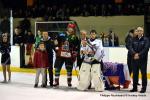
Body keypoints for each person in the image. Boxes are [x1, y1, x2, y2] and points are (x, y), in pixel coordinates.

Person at [129, 27, 149, 93]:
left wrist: (139, 55)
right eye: (138, 31)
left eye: (141, 31)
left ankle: (143, 88)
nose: (139, 32)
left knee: (143, 74)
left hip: (142, 60)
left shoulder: (146, 39)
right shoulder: (133, 39)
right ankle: (134, 88)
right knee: (135, 74)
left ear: (143, 32)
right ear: (136, 32)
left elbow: (146, 49)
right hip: (134, 60)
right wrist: (134, 54)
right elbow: (130, 47)